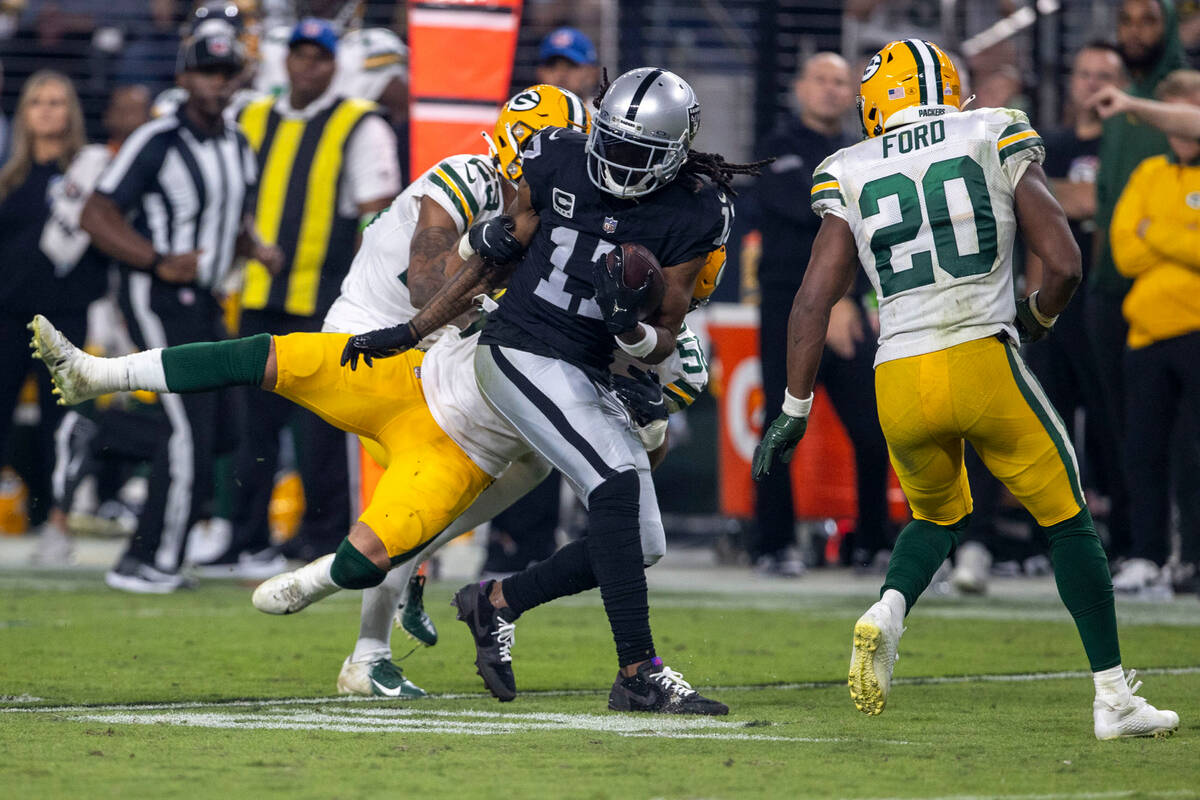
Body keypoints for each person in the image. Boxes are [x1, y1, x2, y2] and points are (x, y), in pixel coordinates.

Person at [753, 39, 1178, 740]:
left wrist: (794, 408)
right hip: (981, 356)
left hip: (898, 377)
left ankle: (888, 609)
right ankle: (1112, 696)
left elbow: (811, 301)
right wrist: (1037, 317)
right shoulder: (990, 129)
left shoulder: (850, 166)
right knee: (1069, 521)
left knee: (939, 514)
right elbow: (1065, 261)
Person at [337, 67, 762, 714]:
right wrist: (413, 328)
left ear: (673, 155)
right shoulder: (560, 154)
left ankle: (498, 601)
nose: (616, 163)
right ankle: (638, 672)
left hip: (592, 365)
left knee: (640, 542)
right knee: (615, 487)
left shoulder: (697, 210)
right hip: (521, 347)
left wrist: (630, 330)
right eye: (611, 143)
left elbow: (667, 331)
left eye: (637, 154)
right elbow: (495, 260)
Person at [78, 30, 282, 593]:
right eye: (205, 73)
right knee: (191, 432)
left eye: (225, 73)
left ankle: (101, 436)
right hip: (156, 297)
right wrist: (156, 259)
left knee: (221, 432)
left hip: (207, 299)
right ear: (184, 78)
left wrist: (253, 246)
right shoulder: (158, 139)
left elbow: (232, 217)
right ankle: (154, 563)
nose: (216, 83)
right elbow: (96, 213)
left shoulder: (239, 144)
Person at [198, 17, 400, 576]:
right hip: (258, 294)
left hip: (325, 299)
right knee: (251, 426)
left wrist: (368, 295)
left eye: (319, 56)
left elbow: (377, 214)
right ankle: (245, 537)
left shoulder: (359, 124)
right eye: (300, 54)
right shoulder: (251, 116)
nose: (308, 65)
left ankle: (320, 537)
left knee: (321, 427)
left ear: (335, 64)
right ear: (286, 60)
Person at [953, 42, 1129, 593]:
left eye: (1106, 75)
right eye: (1085, 73)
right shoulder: (1044, 141)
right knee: (1035, 429)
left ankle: (1125, 546)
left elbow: (1106, 202)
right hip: (1046, 306)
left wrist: (1081, 197)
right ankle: (1033, 542)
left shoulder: (1130, 141)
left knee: (1112, 428)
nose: (1093, 84)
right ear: (1071, 80)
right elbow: (1042, 212)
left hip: (1112, 305)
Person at [752, 51, 890, 575]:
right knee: (780, 421)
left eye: (841, 82)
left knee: (875, 428)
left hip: (848, 308)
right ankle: (772, 544)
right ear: (801, 87)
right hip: (787, 309)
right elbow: (807, 207)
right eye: (822, 79)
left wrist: (845, 303)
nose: (832, 90)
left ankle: (873, 542)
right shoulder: (777, 147)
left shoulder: (862, 151)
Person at [31, 83, 152, 564]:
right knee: (86, 403)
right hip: (103, 298)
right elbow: (65, 238)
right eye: (124, 108)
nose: (134, 117)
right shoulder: (96, 162)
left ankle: (127, 496)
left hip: (144, 296)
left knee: (146, 401)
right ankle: (67, 510)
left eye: (142, 110)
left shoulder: (166, 152)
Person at [1089, 0, 1188, 563]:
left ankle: (1176, 547)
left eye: (1149, 19)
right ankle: (1137, 547)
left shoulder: (1172, 95)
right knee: (1124, 430)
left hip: (1179, 299)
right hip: (1113, 287)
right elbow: (1111, 212)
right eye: (1126, 21)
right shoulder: (1119, 106)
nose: (1135, 32)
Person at [1108, 68, 1200, 599]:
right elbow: (1124, 251)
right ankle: (1145, 556)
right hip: (1146, 332)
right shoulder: (1147, 173)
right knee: (1141, 452)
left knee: (1193, 455)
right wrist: (1181, 239)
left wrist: (1155, 232)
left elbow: (1147, 240)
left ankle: (1191, 560)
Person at [0, 70, 98, 538]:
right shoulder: (8, 173)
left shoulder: (88, 174)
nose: (46, 109)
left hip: (65, 315)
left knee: (61, 420)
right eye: (37, 100)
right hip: (7, 314)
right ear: (25, 113)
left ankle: (56, 519)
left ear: (70, 112)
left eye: (57, 101)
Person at [535, 27, 600, 100]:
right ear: (540, 72)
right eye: (552, 66)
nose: (561, 74)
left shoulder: (602, 111)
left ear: (592, 74)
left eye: (571, 66)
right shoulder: (526, 111)